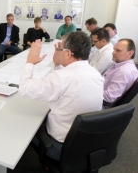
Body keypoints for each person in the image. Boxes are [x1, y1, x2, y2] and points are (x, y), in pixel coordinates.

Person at [19, 32, 104, 161]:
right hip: (87, 143)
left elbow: (24, 89)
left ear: (68, 53)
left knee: (26, 125)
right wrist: (58, 64)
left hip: (60, 148)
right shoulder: (96, 74)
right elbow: (66, 84)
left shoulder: (61, 78)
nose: (58, 50)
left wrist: (30, 62)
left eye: (61, 48)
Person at [103, 39, 138, 109]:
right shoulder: (120, 66)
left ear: (130, 53)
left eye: (118, 50)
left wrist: (92, 89)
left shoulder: (124, 71)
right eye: (114, 49)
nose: (113, 52)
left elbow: (108, 98)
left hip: (101, 105)